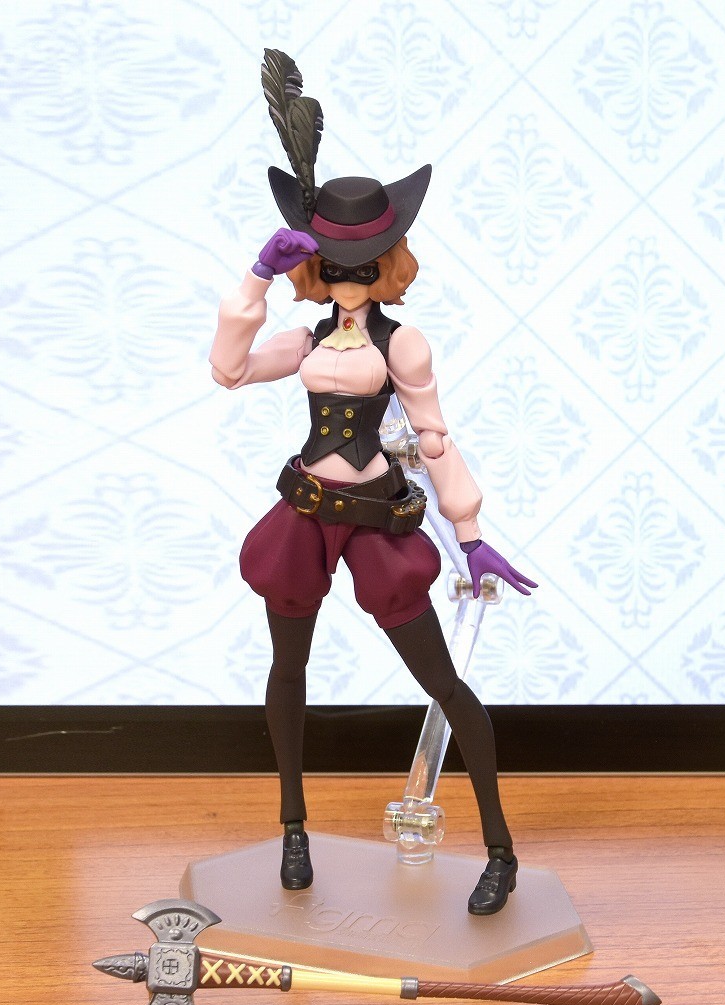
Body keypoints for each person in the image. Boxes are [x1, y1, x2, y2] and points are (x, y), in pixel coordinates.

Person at [207, 51, 536, 915]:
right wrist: (255, 275)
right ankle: (293, 827)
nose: (349, 280)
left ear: (387, 264)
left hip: (377, 517)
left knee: (441, 682)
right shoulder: (306, 341)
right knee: (288, 671)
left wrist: (470, 534)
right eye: (335, 264)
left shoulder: (401, 344)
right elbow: (228, 370)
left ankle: (499, 848)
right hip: (304, 513)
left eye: (364, 264)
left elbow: (432, 435)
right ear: (315, 264)